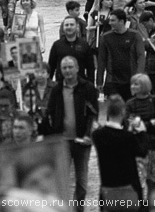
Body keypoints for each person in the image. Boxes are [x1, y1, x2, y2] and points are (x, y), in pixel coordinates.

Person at [44, 56, 99, 212]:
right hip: (63, 142)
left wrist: (89, 134)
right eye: (64, 68)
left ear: (77, 68)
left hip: (81, 141)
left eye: (70, 67)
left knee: (81, 182)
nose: (67, 71)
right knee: (61, 180)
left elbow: (93, 114)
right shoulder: (57, 89)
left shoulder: (87, 88)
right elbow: (50, 113)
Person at [92, 95, 144, 209]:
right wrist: (139, 131)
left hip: (107, 189)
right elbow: (141, 152)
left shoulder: (97, 135)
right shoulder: (128, 137)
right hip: (129, 189)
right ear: (123, 112)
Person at [126, 73, 155, 194]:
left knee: (153, 182)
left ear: (144, 85)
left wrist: (142, 125)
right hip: (137, 149)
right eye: (132, 84)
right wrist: (151, 122)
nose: (132, 86)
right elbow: (128, 125)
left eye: (136, 84)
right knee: (138, 182)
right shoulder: (130, 103)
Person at [96, 9, 146, 100]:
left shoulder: (135, 35)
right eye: (110, 20)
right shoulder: (105, 37)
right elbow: (101, 60)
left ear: (122, 21)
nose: (109, 23)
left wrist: (139, 76)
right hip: (112, 81)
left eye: (113, 20)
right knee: (114, 111)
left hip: (131, 80)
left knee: (131, 110)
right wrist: (99, 81)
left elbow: (141, 57)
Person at [48, 16, 94, 83]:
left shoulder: (84, 45)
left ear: (77, 27)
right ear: (63, 28)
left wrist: (91, 86)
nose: (69, 27)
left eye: (72, 25)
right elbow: (51, 67)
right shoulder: (57, 45)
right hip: (61, 85)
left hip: (80, 85)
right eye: (66, 25)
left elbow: (90, 69)